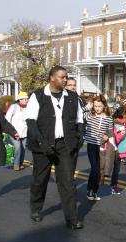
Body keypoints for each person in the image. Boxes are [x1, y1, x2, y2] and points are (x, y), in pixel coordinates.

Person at [25, 66, 84, 229]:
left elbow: (80, 120)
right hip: (43, 145)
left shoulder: (72, 97)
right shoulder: (38, 96)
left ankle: (72, 218)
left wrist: (79, 137)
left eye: (66, 77)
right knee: (40, 179)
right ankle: (36, 208)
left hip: (64, 145)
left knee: (67, 182)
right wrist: (43, 143)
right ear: (52, 78)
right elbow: (31, 121)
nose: (65, 80)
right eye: (62, 77)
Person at [84, 95, 113, 201]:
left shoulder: (109, 118)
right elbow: (80, 114)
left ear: (104, 106)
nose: (97, 108)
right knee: (95, 168)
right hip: (91, 145)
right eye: (95, 106)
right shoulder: (90, 115)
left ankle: (94, 191)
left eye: (99, 106)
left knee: (98, 170)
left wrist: (108, 136)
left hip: (101, 146)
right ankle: (89, 190)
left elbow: (110, 131)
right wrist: (88, 106)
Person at [5, 91, 29, 171]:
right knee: (18, 147)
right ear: (19, 100)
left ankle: (20, 163)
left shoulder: (29, 108)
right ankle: (16, 164)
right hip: (14, 132)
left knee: (23, 148)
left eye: (27, 99)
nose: (26, 100)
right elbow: (7, 119)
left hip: (25, 132)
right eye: (24, 99)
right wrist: (10, 131)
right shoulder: (13, 107)